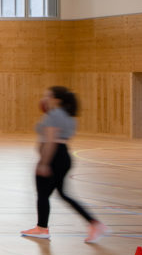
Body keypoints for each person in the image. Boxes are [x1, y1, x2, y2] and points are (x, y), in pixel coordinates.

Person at [21, 86, 108, 243]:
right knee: (62, 194)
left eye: (47, 96)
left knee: (42, 193)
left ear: (57, 99)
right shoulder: (68, 116)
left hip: (54, 156)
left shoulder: (55, 115)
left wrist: (44, 163)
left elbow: (51, 141)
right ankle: (95, 224)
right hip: (63, 156)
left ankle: (42, 229)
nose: (44, 98)